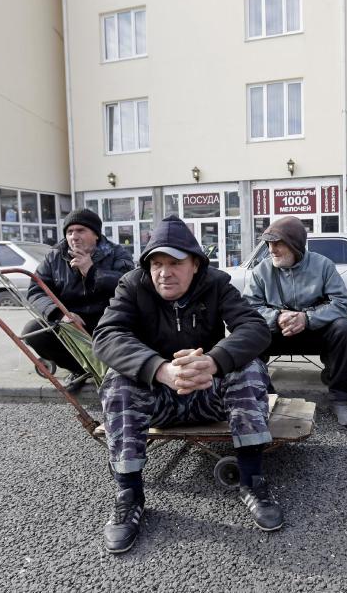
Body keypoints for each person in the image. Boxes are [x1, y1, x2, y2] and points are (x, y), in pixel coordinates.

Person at [93, 215, 280, 554]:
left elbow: (255, 328)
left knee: (249, 366)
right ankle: (129, 494)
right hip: (158, 401)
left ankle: (252, 480)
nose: (165, 272)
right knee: (117, 380)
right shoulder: (132, 286)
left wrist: (213, 361)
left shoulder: (217, 284)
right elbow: (107, 336)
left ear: (195, 264)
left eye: (175, 262)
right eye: (157, 263)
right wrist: (160, 369)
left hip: (207, 395)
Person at [243, 216, 347, 428]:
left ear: (296, 245)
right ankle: (266, 397)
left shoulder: (323, 265)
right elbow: (249, 308)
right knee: (245, 334)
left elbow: (342, 304)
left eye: (278, 243)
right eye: (269, 244)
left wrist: (307, 319)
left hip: (315, 333)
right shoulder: (262, 270)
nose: (271, 250)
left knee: (346, 329)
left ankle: (342, 400)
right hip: (277, 334)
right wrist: (277, 317)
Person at [23, 209, 134, 392]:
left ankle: (114, 371)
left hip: (108, 318)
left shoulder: (116, 253)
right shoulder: (55, 256)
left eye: (80, 230)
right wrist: (60, 314)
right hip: (72, 321)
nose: (74, 236)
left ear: (95, 235)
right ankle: (81, 370)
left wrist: (92, 271)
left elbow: (129, 287)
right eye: (69, 232)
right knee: (33, 331)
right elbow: (36, 291)